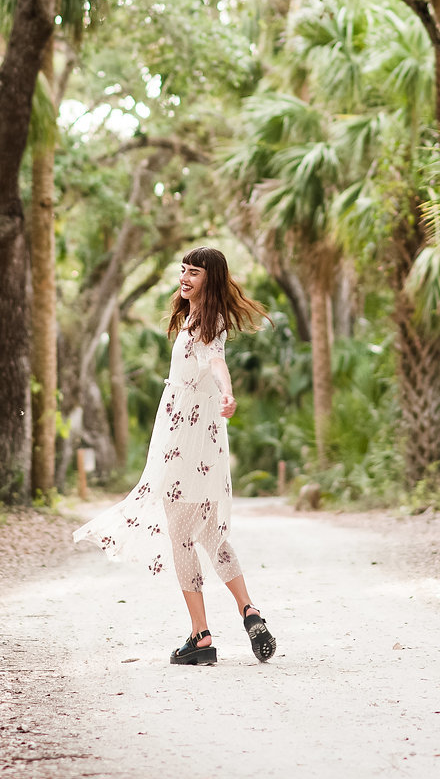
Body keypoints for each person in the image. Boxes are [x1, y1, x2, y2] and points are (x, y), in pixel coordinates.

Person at [74, 246, 278, 665]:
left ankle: (200, 636)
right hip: (206, 440)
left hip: (184, 436)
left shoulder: (205, 323)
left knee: (181, 537)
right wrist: (220, 393)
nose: (185, 278)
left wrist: (227, 390)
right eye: (183, 270)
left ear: (212, 279)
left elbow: (216, 361)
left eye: (195, 273)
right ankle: (249, 610)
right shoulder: (203, 317)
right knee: (209, 535)